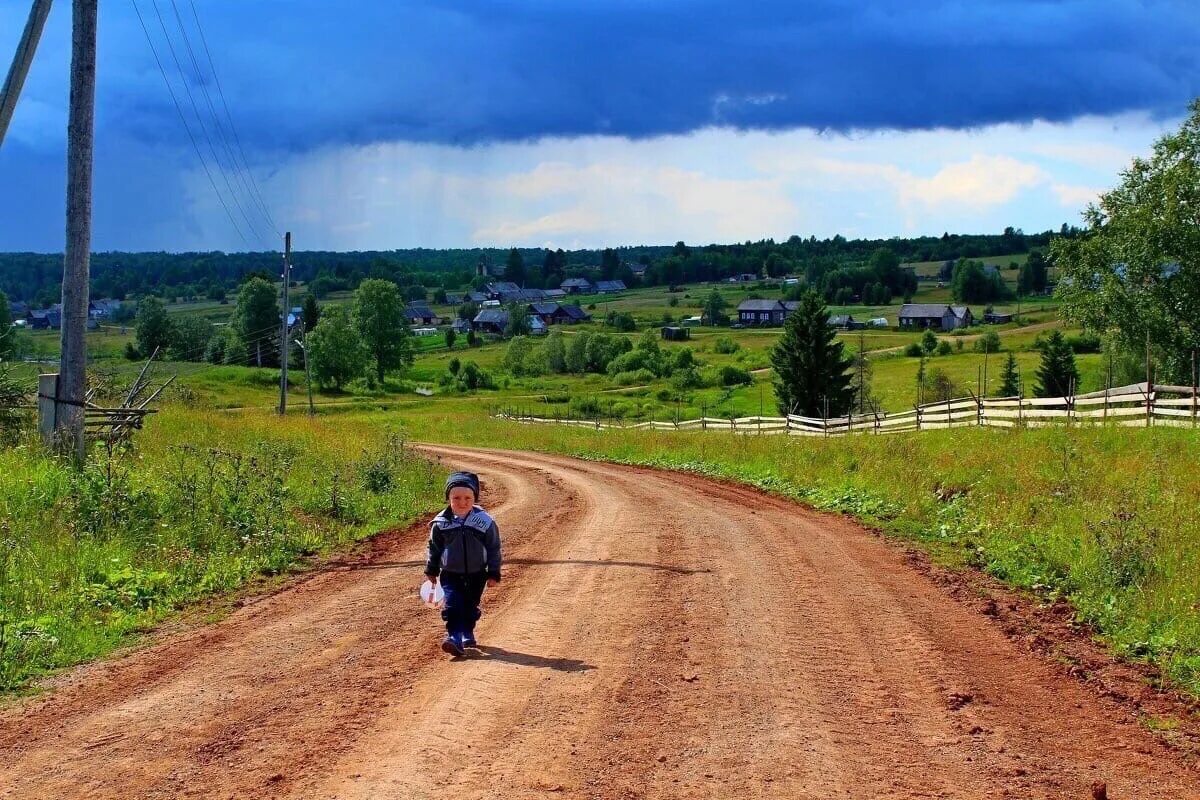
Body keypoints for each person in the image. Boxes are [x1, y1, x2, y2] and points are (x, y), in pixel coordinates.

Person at [424, 471, 501, 656]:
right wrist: (432, 569)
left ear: (474, 498)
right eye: (456, 497)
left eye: (468, 497)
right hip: (450, 573)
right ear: (448, 498)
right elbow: (434, 547)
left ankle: (467, 632)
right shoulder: (441, 523)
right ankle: (454, 637)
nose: (462, 502)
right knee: (452, 605)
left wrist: (493, 572)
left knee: (469, 605)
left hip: (477, 573)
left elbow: (493, 547)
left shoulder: (484, 522)